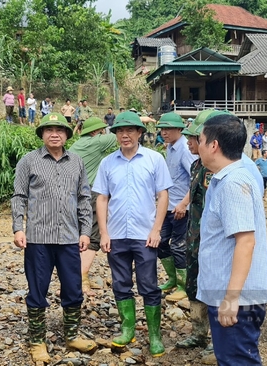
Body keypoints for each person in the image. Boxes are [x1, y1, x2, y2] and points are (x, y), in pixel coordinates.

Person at [12, 112, 96, 363]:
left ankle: (71, 334)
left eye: (60, 129)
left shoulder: (76, 162)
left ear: (68, 135)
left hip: (69, 237)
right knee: (37, 289)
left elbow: (83, 198)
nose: (54, 134)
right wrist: (18, 227)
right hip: (38, 237)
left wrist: (85, 231)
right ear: (42, 135)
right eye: (49, 130)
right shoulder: (28, 161)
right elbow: (19, 196)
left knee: (73, 286)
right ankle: (37, 341)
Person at [93, 111, 172, 357]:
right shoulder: (107, 163)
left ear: (140, 133)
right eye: (119, 131)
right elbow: (102, 198)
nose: (124, 135)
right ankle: (128, 327)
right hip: (116, 234)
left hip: (144, 234)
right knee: (121, 284)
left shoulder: (154, 159)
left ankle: (155, 335)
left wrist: (157, 230)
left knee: (149, 285)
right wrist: (104, 233)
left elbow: (163, 196)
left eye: (129, 130)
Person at [196, 113, 267, 365]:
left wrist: (231, 298)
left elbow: (246, 241)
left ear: (213, 145)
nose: (197, 146)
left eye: (200, 140)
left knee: (237, 360)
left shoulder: (232, 183)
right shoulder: (231, 178)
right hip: (230, 293)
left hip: (235, 297)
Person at [174, 109, 216, 365]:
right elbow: (194, 193)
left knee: (214, 288)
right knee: (194, 285)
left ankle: (217, 340)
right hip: (194, 235)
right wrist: (182, 203)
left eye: (192, 138)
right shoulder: (196, 164)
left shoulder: (214, 168)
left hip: (210, 239)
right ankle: (199, 333)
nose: (188, 142)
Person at [68, 117, 118, 297]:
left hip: (72, 195)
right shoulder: (96, 141)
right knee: (93, 235)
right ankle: (82, 280)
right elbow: (119, 136)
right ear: (97, 131)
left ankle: (71, 278)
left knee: (77, 235)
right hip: (90, 194)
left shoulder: (76, 146)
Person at [155, 112, 197, 303]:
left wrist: (184, 203)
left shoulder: (185, 150)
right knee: (161, 242)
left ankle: (183, 285)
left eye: (168, 129)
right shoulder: (170, 148)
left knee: (179, 246)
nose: (164, 132)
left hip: (181, 207)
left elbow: (194, 178)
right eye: (162, 129)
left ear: (179, 130)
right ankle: (172, 278)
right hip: (168, 206)